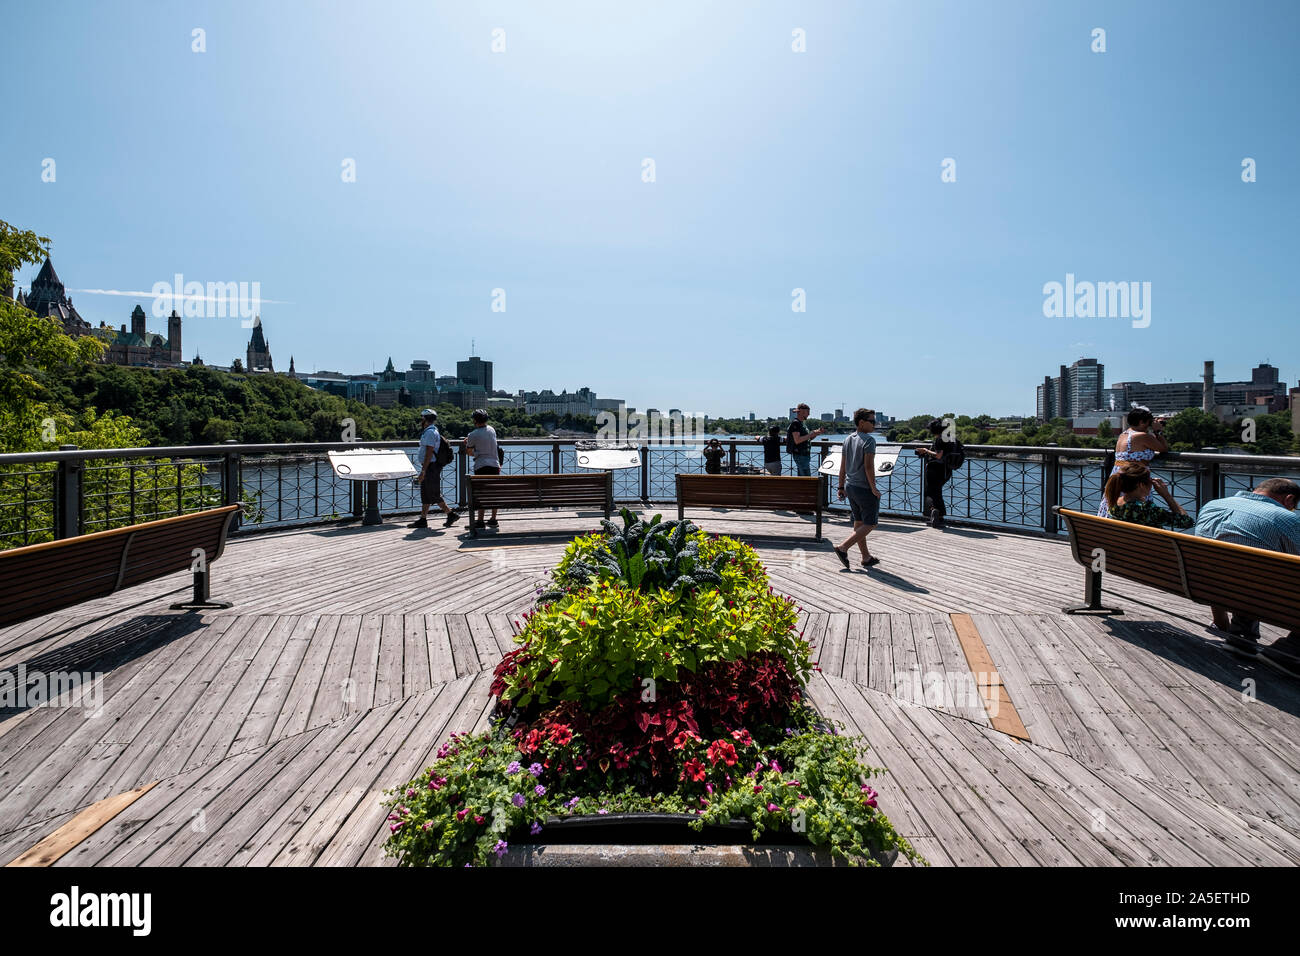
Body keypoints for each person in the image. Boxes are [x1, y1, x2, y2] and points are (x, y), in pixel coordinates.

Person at [1194, 477, 1300, 671]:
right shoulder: (1286, 519)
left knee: (1247, 567)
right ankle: (1291, 650)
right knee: (1258, 573)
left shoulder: (1212, 505)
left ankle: (1241, 637)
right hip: (1259, 593)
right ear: (1289, 500)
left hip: (1205, 583)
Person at [1096, 407, 1172, 517]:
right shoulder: (1142, 436)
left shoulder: (1124, 434)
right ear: (1141, 422)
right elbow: (1163, 448)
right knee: (1137, 511)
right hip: (1135, 479)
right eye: (1148, 422)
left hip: (1119, 474)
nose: (1149, 425)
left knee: (1116, 508)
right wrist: (1157, 431)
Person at [832, 409, 881, 569]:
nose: (875, 424)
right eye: (872, 421)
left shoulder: (848, 439)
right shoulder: (869, 441)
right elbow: (868, 467)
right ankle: (843, 547)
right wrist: (874, 488)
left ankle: (866, 557)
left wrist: (840, 486)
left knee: (859, 521)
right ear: (861, 422)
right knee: (871, 523)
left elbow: (843, 466)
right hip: (863, 488)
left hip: (850, 486)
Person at [408, 409, 460, 529]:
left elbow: (429, 452)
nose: (421, 420)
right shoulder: (430, 431)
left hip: (431, 467)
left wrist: (423, 470)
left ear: (425, 419)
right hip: (429, 466)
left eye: (422, 418)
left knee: (433, 492)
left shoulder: (430, 432)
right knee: (425, 493)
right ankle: (423, 519)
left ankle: (451, 514)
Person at [1102, 462, 1192, 529]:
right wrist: (1166, 495)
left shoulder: (1114, 504)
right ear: (1141, 485)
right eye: (1150, 481)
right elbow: (1187, 522)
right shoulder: (1145, 509)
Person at [915, 418, 957, 529]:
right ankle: (937, 517)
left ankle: (940, 517)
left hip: (936, 470)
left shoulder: (939, 440)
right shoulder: (949, 438)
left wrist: (925, 450)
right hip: (946, 470)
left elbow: (938, 455)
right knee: (936, 492)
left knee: (934, 493)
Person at [464, 409, 501, 530]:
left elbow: (469, 452)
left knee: (481, 493)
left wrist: (470, 446)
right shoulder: (492, 430)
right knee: (494, 492)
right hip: (495, 465)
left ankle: (480, 521)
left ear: (475, 420)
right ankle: (493, 519)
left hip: (481, 466)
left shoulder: (472, 435)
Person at [787, 404, 825, 477]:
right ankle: (803, 488)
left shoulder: (801, 424)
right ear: (801, 412)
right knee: (805, 477)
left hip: (804, 455)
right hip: (800, 454)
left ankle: (803, 488)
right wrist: (811, 434)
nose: (809, 414)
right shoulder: (796, 423)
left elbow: (806, 439)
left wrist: (815, 434)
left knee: (805, 477)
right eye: (807, 412)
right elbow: (797, 440)